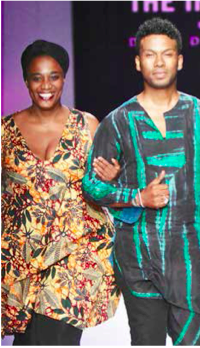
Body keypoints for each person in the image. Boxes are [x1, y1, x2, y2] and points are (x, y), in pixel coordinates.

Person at [82, 18, 200, 345]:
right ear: (138, 62)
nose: (158, 62)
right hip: (138, 259)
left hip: (192, 260)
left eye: (166, 54)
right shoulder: (118, 121)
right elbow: (93, 187)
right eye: (150, 55)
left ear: (179, 60)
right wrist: (137, 195)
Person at [1, 40, 121, 345]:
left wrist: (112, 180)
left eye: (53, 76)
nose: (46, 85)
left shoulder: (86, 126)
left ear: (64, 79)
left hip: (76, 252)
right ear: (26, 80)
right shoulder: (5, 132)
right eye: (37, 77)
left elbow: (101, 190)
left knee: (54, 338)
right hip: (22, 258)